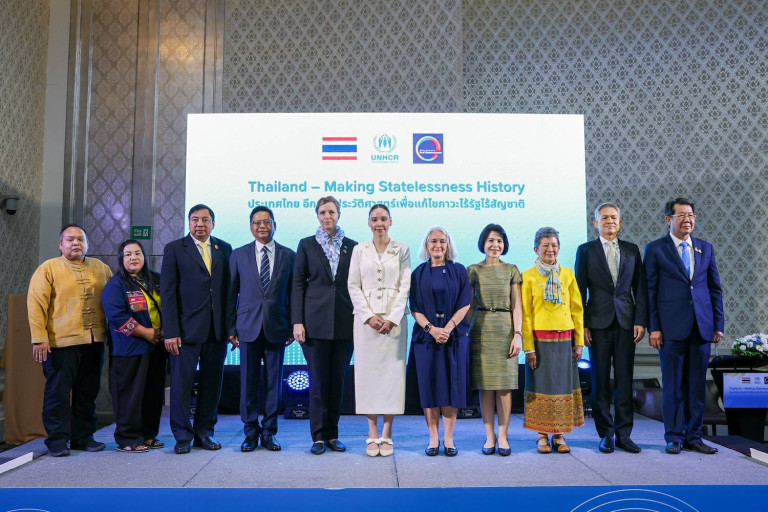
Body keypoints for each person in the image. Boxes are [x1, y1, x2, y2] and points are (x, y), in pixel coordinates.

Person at [644, 197, 723, 455]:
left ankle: (694, 436)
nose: (687, 220)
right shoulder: (655, 249)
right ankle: (674, 437)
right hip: (670, 330)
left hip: (701, 327)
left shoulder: (705, 248)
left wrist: (718, 324)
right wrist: (654, 328)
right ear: (669, 219)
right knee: (673, 386)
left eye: (690, 215)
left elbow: (714, 289)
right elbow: (650, 291)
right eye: (681, 215)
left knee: (697, 386)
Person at [27, 224, 113, 457]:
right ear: (60, 244)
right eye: (70, 239)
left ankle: (83, 438)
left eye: (80, 239)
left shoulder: (101, 268)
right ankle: (57, 440)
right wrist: (39, 338)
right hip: (59, 343)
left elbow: (113, 301)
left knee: (87, 392)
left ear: (87, 244)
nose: (76, 243)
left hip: (94, 342)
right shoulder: (48, 268)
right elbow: (36, 305)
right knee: (58, 394)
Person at [574, 203, 648, 454]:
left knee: (625, 380)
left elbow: (640, 288)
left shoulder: (631, 250)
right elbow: (579, 291)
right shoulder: (585, 250)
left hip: (627, 322)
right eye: (604, 218)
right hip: (597, 323)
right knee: (600, 380)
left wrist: (640, 321)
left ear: (620, 222)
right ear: (596, 223)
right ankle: (606, 434)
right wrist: (582, 325)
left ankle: (624, 434)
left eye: (614, 217)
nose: (610, 221)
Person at [161, 204, 232, 454]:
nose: (200, 224)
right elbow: (168, 293)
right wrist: (171, 331)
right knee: (182, 385)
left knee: (212, 385)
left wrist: (230, 328)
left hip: (216, 331)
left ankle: (204, 432)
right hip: (184, 331)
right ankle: (182, 436)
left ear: (213, 223)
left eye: (205, 219)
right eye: (194, 219)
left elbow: (228, 292)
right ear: (189, 223)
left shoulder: (224, 248)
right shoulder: (174, 249)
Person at [292, 196, 357, 455]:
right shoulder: (306, 244)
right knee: (318, 383)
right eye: (322, 212)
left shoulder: (352, 246)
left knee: (337, 382)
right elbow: (298, 284)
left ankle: (332, 434)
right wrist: (297, 321)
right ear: (317, 215)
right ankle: (318, 436)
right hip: (314, 324)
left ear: (338, 214)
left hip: (344, 323)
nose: (327, 216)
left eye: (331, 212)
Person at [228, 206, 295, 452]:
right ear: (251, 227)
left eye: (267, 222)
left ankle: (269, 432)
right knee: (248, 382)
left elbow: (293, 294)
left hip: (277, 326)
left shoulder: (289, 255)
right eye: (257, 222)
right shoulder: (238, 254)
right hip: (247, 327)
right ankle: (250, 432)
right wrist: (231, 327)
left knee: (273, 383)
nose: (262, 226)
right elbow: (230, 294)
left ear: (275, 225)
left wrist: (292, 325)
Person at [347, 204, 411, 457]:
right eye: (374, 219)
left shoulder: (402, 249)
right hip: (366, 323)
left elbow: (405, 286)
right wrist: (368, 316)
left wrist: (392, 318)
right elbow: (353, 285)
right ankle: (372, 432)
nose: (379, 223)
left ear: (391, 221)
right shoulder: (359, 250)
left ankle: (387, 433)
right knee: (368, 376)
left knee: (392, 377)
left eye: (383, 218)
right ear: (369, 223)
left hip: (394, 323)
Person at [522, 226, 585, 454]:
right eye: (545, 245)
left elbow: (577, 310)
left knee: (562, 386)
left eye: (554, 245)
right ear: (536, 249)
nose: (550, 249)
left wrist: (579, 343)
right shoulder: (527, 276)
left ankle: (559, 435)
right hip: (540, 341)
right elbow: (525, 315)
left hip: (565, 339)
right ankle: (541, 436)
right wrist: (528, 348)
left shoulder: (567, 274)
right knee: (542, 387)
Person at [410, 227, 471, 456]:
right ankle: (433, 438)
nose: (438, 245)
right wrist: (432, 329)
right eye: (433, 241)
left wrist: (447, 329)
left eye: (442, 241)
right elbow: (414, 307)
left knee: (451, 388)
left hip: (453, 337)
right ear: (426, 245)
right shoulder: (418, 273)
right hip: (426, 338)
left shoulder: (459, 270)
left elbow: (465, 303)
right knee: (430, 388)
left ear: (448, 245)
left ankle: (449, 438)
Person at [101, 239, 167, 453]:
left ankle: (148, 434)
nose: (133, 258)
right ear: (121, 259)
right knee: (129, 396)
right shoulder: (116, 285)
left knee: (152, 394)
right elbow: (117, 318)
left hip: (156, 348)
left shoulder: (156, 279)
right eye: (128, 254)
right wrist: (146, 333)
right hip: (130, 349)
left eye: (137, 253)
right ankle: (127, 438)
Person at [466, 224, 522, 456]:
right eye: (490, 240)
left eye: (499, 240)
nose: (495, 245)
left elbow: (517, 305)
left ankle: (503, 436)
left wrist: (517, 334)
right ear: (483, 243)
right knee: (485, 387)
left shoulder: (511, 270)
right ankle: (489, 436)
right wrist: (469, 330)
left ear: (504, 244)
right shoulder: (473, 270)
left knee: (504, 387)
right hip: (481, 329)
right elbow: (469, 306)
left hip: (506, 329)